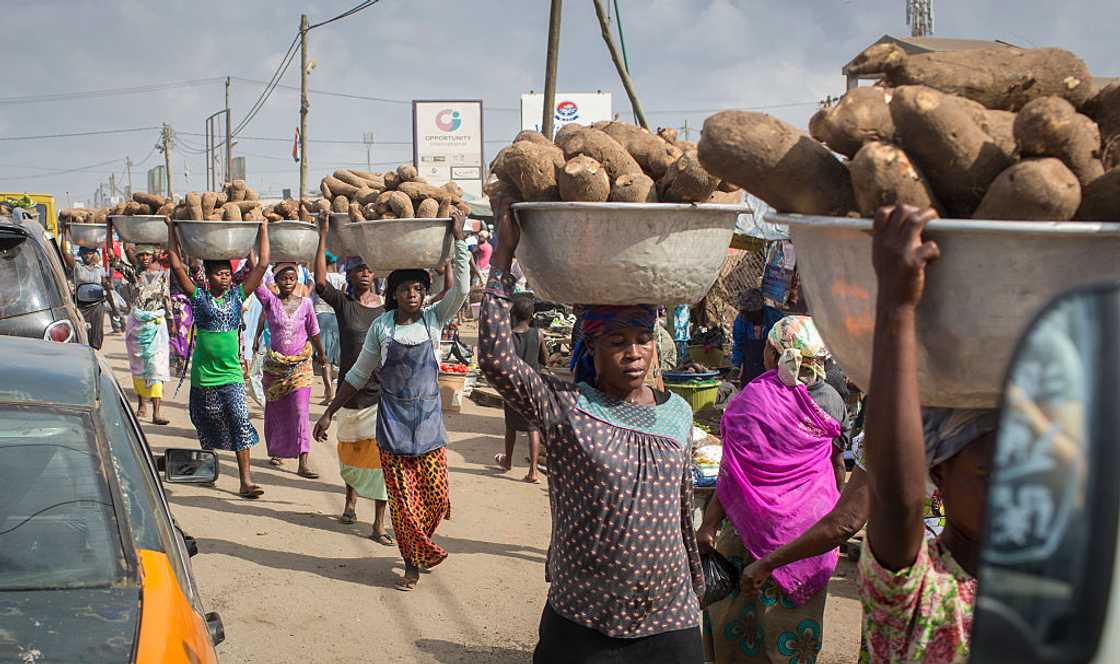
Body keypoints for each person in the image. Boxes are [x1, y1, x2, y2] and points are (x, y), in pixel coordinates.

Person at [479, 195, 704, 663]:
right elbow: (496, 360)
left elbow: (683, 511)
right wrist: (501, 258)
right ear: (591, 348)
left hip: (670, 618)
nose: (635, 353)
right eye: (617, 342)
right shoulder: (568, 408)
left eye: (643, 340)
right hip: (585, 620)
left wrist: (698, 580)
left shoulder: (677, 412)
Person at [857, 205, 998, 663]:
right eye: (992, 475)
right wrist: (895, 307)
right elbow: (896, 499)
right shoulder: (919, 588)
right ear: (938, 471)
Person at [314, 208, 470, 590]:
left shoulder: (433, 319)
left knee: (435, 498)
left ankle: (419, 544)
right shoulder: (382, 328)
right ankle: (411, 563)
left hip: (430, 426)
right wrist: (329, 412)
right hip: (393, 427)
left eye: (418, 289)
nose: (412, 295)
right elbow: (357, 375)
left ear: (424, 292)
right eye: (404, 289)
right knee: (403, 504)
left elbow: (462, 290)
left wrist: (460, 238)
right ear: (394, 294)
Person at [696, 315, 848, 663]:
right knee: (792, 630)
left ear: (774, 354)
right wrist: (836, 516)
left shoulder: (754, 399)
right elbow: (837, 464)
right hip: (809, 534)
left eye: (768, 346)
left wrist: (709, 524)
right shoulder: (833, 401)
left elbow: (733, 470)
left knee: (733, 622)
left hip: (750, 526)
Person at [167, 220, 269, 499]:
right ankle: (208, 469)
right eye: (219, 274)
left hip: (231, 374)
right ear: (208, 276)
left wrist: (262, 230)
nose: (224, 277)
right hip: (204, 374)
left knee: (239, 418)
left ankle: (245, 481)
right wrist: (172, 231)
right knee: (206, 420)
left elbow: (261, 267)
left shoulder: (238, 297)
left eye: (227, 273)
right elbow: (177, 267)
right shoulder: (199, 298)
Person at [312, 224, 392, 542]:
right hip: (349, 394)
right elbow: (319, 281)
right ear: (348, 275)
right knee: (351, 454)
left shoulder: (388, 309)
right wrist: (322, 233)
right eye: (358, 269)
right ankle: (350, 503)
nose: (364, 273)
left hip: (379, 395)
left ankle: (378, 524)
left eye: (369, 269)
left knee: (381, 461)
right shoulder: (344, 305)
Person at [251, 262, 326, 477]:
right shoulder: (270, 302)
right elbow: (255, 281)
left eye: (292, 278)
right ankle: (277, 450)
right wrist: (253, 251)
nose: (287, 282)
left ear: (297, 281)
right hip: (275, 368)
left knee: (301, 410)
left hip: (300, 365)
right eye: (283, 278)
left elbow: (314, 330)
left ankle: (303, 460)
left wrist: (321, 354)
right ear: (275, 282)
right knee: (277, 410)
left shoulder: (306, 304)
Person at [115, 238, 172, 426]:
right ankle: (141, 405)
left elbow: (166, 297)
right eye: (141, 255)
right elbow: (112, 258)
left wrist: (170, 319)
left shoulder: (162, 275)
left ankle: (157, 411)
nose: (145, 258)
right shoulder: (133, 274)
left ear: (153, 255)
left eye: (148, 254)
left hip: (156, 325)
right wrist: (111, 229)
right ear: (137, 257)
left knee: (157, 366)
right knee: (138, 366)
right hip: (137, 325)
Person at [493, 293, 547, 484]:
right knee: (533, 427)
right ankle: (533, 471)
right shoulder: (538, 334)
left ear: (512, 314)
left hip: (513, 386)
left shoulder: (507, 336)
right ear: (532, 316)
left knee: (511, 426)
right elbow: (544, 360)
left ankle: (507, 461)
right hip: (533, 386)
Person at [60, 228, 119, 350]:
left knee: (96, 337)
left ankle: (95, 358)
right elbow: (65, 253)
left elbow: (107, 290)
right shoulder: (77, 267)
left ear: (95, 254)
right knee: (81, 335)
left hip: (97, 307)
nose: (88, 256)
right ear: (80, 254)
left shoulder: (100, 270)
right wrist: (65, 231)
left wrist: (114, 309)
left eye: (90, 253)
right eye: (85, 253)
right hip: (80, 306)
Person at [312, 252, 344, 405]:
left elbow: (309, 295)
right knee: (334, 356)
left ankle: (328, 390)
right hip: (336, 317)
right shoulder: (341, 278)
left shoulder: (315, 277)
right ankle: (334, 389)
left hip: (320, 316)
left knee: (324, 357)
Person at [732, 288, 767, 385]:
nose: (744, 315)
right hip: (750, 367)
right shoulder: (741, 320)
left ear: (758, 310)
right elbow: (738, 344)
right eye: (743, 312)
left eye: (748, 313)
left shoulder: (773, 318)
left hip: (770, 368)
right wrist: (736, 367)